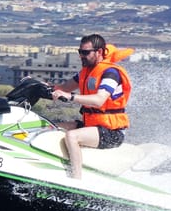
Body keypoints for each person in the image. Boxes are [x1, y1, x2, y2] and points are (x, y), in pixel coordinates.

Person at [50, 34, 133, 179]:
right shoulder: (86, 72)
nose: (81, 56)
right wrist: (42, 86)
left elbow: (99, 100)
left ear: (99, 52)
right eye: (80, 52)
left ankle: (76, 179)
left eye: (85, 52)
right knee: (52, 126)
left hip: (112, 132)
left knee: (72, 136)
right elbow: (64, 88)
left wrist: (71, 97)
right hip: (92, 125)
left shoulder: (111, 73)